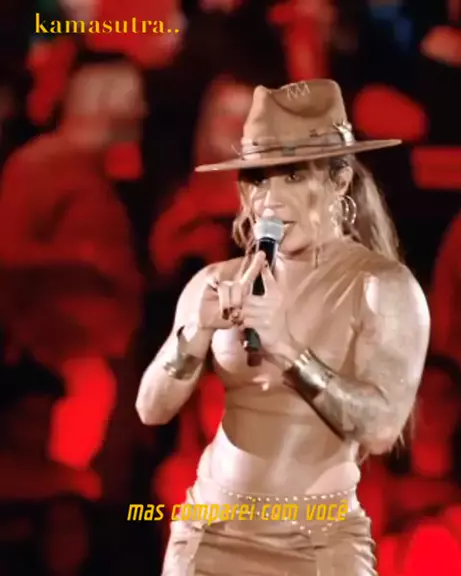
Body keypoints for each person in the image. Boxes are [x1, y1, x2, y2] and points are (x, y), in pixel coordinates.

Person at [136, 79, 430, 575]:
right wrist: (194, 336)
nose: (269, 199)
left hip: (319, 543)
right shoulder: (217, 280)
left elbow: (381, 429)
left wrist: (290, 351)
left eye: (292, 176)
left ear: (339, 180)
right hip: (209, 535)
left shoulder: (382, 286)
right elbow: (150, 409)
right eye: (257, 178)